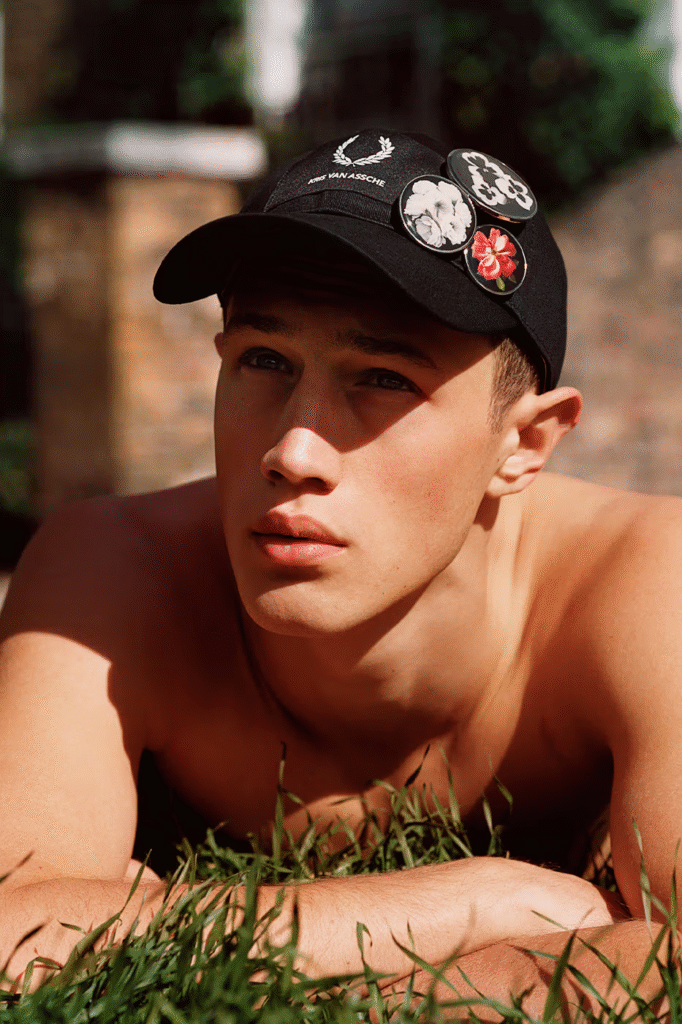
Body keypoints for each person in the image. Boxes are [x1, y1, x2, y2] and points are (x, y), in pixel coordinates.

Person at [0, 129, 678, 1016]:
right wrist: (460, 908)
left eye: (384, 378)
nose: (293, 449)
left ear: (525, 442)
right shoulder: (114, 575)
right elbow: (12, 932)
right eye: (265, 361)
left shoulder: (643, 584)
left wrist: (153, 915)